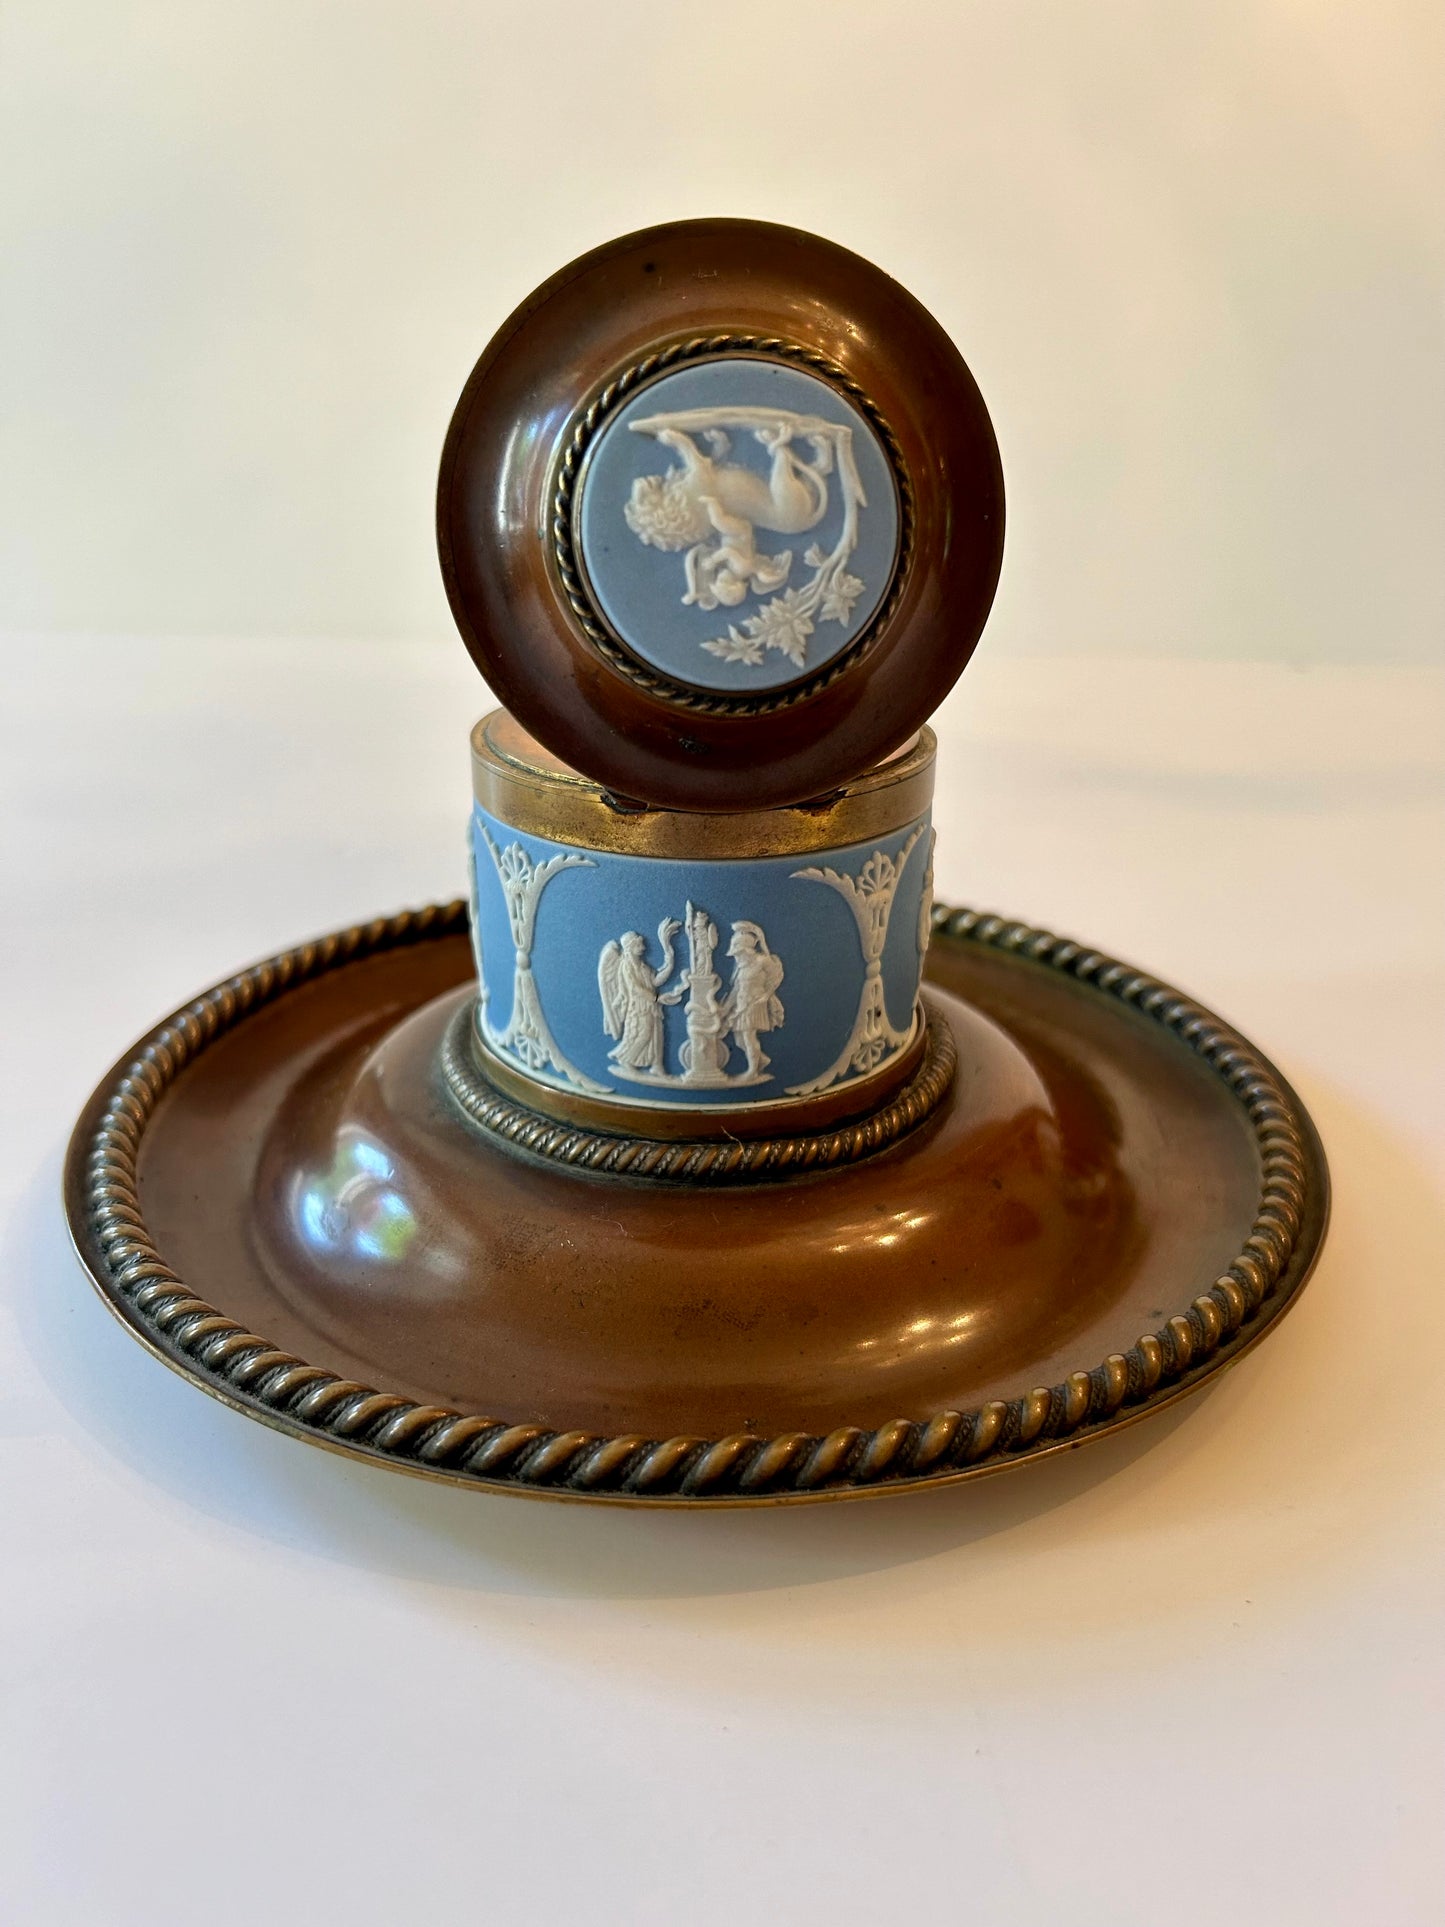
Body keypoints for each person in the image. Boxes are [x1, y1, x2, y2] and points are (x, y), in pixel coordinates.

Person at [722, 921, 785, 1079]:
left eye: (739, 952)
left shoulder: (762, 961)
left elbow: (776, 976)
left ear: (746, 950)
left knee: (748, 1037)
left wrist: (767, 995)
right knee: (739, 1040)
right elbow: (736, 990)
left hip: (755, 1003)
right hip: (742, 1004)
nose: (736, 956)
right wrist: (725, 1008)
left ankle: (752, 1071)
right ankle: (761, 1060)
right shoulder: (741, 967)